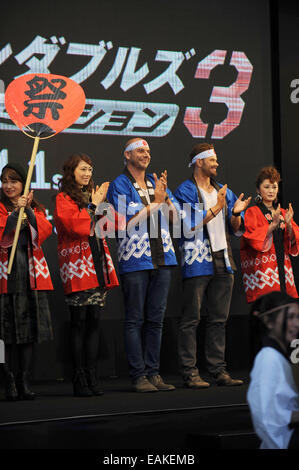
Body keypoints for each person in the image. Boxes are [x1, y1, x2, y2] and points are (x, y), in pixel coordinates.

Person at [174, 143, 251, 388]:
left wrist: (236, 213)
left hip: (223, 259)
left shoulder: (223, 191)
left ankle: (218, 370)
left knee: (218, 319)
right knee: (191, 319)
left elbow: (235, 228)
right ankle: (190, 372)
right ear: (199, 162)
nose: (217, 164)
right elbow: (188, 225)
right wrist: (217, 207)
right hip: (197, 260)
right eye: (212, 160)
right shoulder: (184, 191)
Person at [107, 138, 178, 392]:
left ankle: (154, 373)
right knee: (135, 319)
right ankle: (139, 376)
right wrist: (156, 203)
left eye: (148, 150)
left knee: (156, 320)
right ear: (127, 155)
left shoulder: (155, 182)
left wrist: (166, 199)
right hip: (135, 258)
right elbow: (124, 223)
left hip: (163, 256)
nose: (146, 154)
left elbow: (177, 221)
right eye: (140, 150)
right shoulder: (119, 184)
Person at [54, 153, 119, 397]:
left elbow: (109, 224)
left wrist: (100, 204)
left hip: (97, 263)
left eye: (90, 170)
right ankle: (78, 377)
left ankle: (92, 376)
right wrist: (93, 205)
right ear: (72, 172)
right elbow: (76, 227)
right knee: (78, 322)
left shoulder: (93, 196)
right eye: (83, 169)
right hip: (77, 265)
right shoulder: (63, 198)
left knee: (94, 321)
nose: (87, 174)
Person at [0, 162, 53, 400]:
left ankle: (24, 379)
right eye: (4, 181)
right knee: (5, 333)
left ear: (23, 184)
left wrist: (28, 210)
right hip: (5, 276)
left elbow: (44, 231)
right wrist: (14, 215)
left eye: (14, 181)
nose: (8, 186)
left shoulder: (34, 207)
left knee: (28, 330)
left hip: (29, 276)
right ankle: (7, 380)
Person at [247, 291, 299, 449]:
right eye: (290, 317)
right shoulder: (268, 358)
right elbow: (267, 417)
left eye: (298, 317)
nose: (296, 323)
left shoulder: (279, 357)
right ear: (269, 322)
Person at [240, 166, 299, 304]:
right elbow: (251, 238)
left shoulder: (284, 213)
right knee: (266, 311)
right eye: (267, 187)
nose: (271, 191)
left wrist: (289, 225)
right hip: (263, 273)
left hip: (284, 271)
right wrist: (272, 226)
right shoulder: (252, 212)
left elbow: (294, 241)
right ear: (258, 189)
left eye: (274, 187)